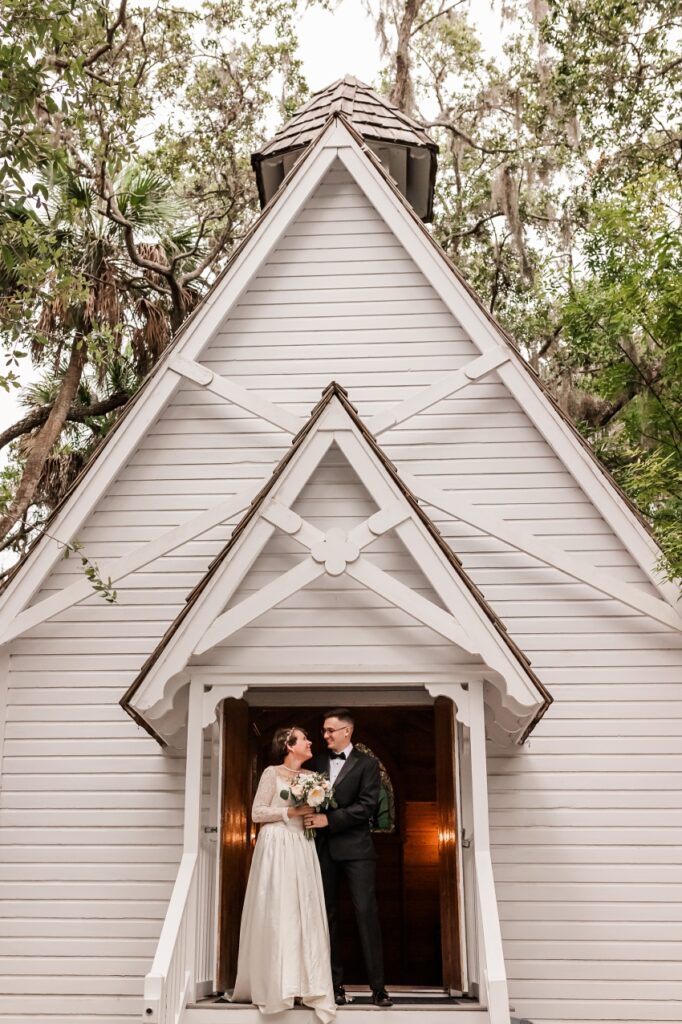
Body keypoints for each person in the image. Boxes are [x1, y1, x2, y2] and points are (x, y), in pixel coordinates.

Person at [231, 726, 336, 1023]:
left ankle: (303, 983)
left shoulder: (311, 778)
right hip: (276, 844)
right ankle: (276, 984)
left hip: (301, 846)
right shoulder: (271, 773)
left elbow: (312, 812)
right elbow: (257, 812)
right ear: (289, 746)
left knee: (302, 911)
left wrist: (314, 815)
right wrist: (289, 812)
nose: (310, 742)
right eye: (304, 739)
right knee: (278, 911)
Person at [305, 708, 392, 1008]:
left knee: (366, 913)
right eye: (324, 730)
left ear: (346, 731)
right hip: (323, 850)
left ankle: (378, 988)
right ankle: (333, 985)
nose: (325, 735)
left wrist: (330, 820)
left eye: (330, 730)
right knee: (326, 917)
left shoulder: (367, 764)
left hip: (357, 851)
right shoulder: (315, 763)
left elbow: (368, 806)